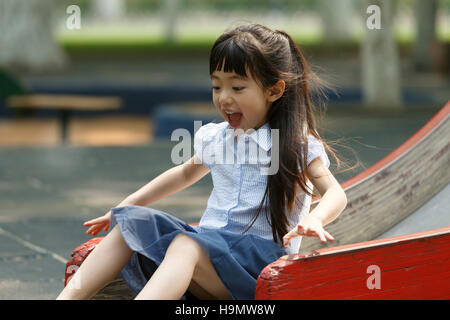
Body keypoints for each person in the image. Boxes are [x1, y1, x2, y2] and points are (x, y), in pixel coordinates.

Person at [57, 23, 347, 300]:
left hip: (258, 268)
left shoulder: (296, 144)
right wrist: (125, 205)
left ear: (274, 91)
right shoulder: (218, 138)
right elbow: (183, 174)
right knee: (130, 223)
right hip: (211, 256)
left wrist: (315, 218)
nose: (223, 99)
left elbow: (335, 193)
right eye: (216, 87)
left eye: (237, 88)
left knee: (186, 244)